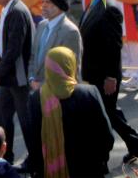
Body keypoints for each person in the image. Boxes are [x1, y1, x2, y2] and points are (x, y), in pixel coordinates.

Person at [79, 0, 138, 164]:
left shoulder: (108, 8)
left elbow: (114, 45)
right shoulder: (93, 4)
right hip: (93, 72)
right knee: (109, 112)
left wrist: (111, 77)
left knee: (104, 114)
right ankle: (136, 143)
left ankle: (101, 155)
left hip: (104, 74)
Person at [27, 46, 114, 177]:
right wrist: (100, 161)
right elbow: (106, 136)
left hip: (50, 171)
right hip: (89, 169)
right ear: (71, 65)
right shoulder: (89, 93)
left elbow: (34, 142)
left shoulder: (37, 98)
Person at [0, 0, 34, 165]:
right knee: (2, 115)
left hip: (18, 76)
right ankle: (5, 156)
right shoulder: (8, 9)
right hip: (9, 76)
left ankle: (35, 159)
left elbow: (14, 49)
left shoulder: (17, 11)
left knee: (26, 119)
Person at [29, 0, 82, 89]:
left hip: (57, 94)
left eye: (48, 2)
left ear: (59, 6)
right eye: (42, 2)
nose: (43, 5)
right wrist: (31, 79)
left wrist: (43, 85)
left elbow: (70, 70)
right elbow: (33, 56)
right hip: (36, 91)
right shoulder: (41, 26)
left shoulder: (70, 32)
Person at [107, 0, 138, 91]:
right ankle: (130, 76)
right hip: (121, 21)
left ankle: (137, 78)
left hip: (130, 20)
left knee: (134, 50)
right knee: (125, 50)